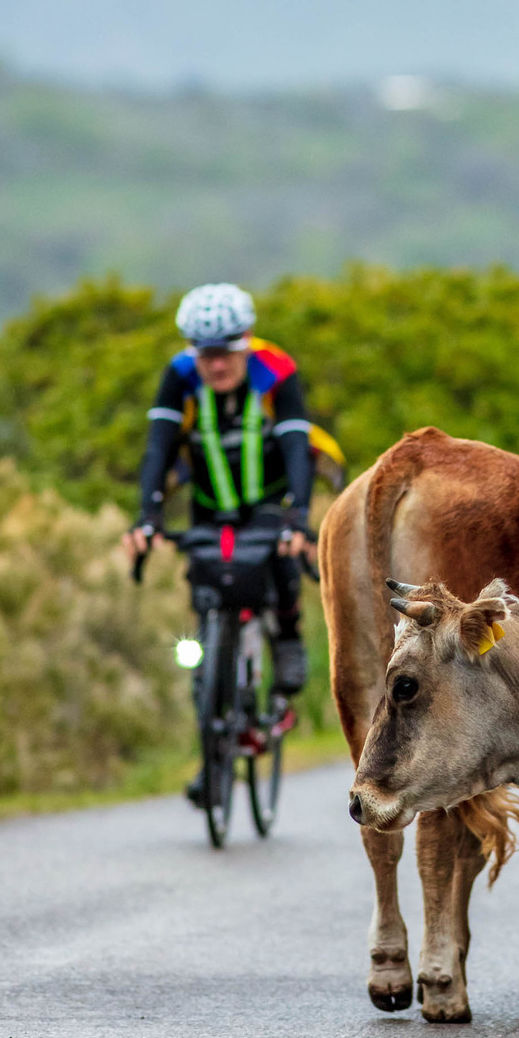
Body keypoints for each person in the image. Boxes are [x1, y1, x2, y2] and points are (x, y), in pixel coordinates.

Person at [124, 284, 314, 799]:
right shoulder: (179, 375)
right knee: (207, 629)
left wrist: (298, 517)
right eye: (204, 352)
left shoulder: (275, 369)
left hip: (270, 500)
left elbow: (298, 445)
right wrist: (147, 516)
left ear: (246, 341)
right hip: (211, 506)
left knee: (277, 559)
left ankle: (289, 636)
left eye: (226, 350)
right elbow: (158, 448)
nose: (215, 364)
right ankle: (214, 766)